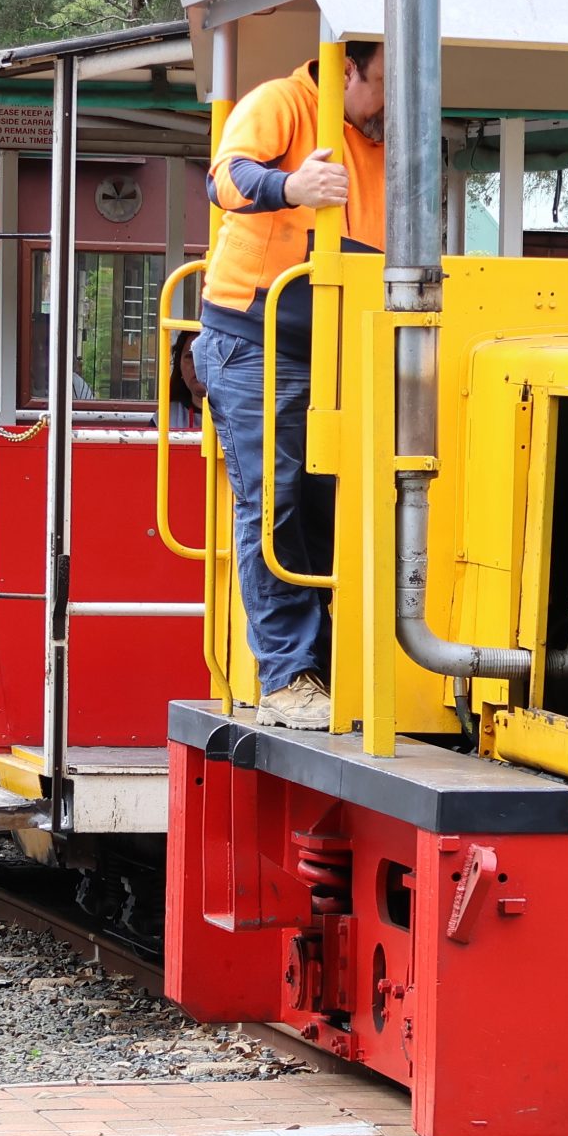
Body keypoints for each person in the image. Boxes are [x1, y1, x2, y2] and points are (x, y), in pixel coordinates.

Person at [190, 41, 387, 731]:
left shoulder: (387, 146)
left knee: (335, 505)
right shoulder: (283, 102)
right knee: (271, 501)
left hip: (344, 350)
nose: (390, 100)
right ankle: (286, 678)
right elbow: (223, 180)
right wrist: (291, 187)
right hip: (254, 340)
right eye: (384, 82)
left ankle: (338, 666)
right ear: (347, 69)